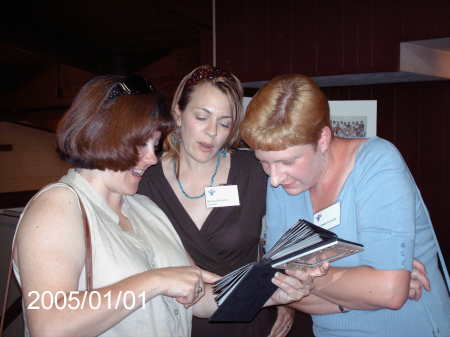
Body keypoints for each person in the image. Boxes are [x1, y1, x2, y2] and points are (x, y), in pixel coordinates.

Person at [12, 74, 324, 337]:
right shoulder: (58, 206)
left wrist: (271, 294)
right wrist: (154, 281)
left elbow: (200, 299)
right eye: (141, 143)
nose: (151, 158)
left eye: (155, 144)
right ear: (104, 134)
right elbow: (47, 324)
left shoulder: (145, 208)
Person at [240, 73, 450, 337]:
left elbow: (390, 292)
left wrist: (305, 276)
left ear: (323, 139)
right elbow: (279, 287)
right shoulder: (283, 184)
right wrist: (358, 294)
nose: (274, 178)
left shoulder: (377, 164)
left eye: (288, 161)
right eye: (265, 161)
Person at [138, 65, 301, 337]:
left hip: (248, 321)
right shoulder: (146, 179)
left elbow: (286, 241)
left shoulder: (254, 170)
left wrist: (289, 301)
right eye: (202, 117)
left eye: (224, 123)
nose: (212, 132)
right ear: (178, 114)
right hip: (175, 323)